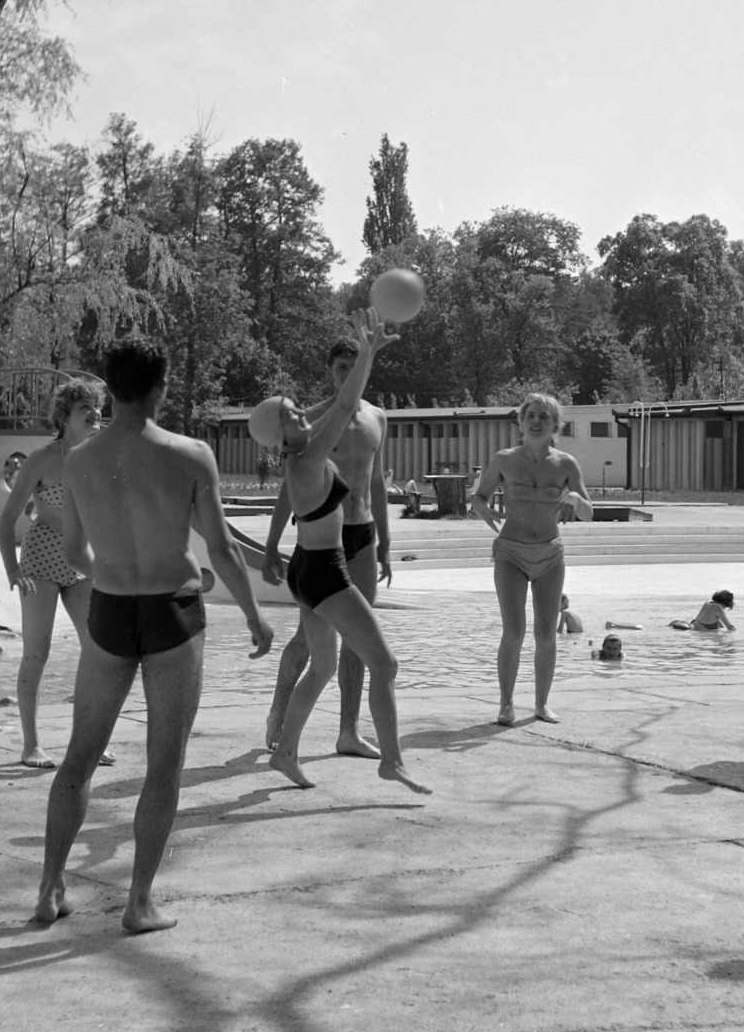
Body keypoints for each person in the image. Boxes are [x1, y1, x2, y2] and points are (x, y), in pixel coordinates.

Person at [34, 337, 274, 934]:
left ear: (109, 391)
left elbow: (73, 552)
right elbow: (220, 547)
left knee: (77, 761)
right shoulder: (191, 455)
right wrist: (253, 614)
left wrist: (114, 577)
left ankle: (49, 888)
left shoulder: (80, 460)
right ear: (161, 388)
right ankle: (138, 903)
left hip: (110, 611)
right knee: (163, 766)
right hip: (173, 612)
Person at [250, 311, 429, 796]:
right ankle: (391, 761)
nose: (301, 413)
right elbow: (348, 399)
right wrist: (368, 352)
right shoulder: (309, 453)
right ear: (283, 434)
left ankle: (286, 753)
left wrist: (385, 541)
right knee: (386, 665)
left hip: (311, 567)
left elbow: (359, 428)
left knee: (326, 667)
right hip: (326, 571)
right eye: (291, 413)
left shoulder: (299, 452)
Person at [261, 337, 392, 760]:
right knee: (308, 640)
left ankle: (348, 731)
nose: (347, 372)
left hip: (363, 534)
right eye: (340, 366)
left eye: (355, 365)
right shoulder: (313, 420)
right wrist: (270, 543)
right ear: (330, 370)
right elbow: (289, 488)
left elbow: (375, 482)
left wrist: (386, 540)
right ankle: (280, 710)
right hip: (322, 542)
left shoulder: (378, 417)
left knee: (358, 639)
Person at [0, 379, 115, 770]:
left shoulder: (100, 456)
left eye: (98, 407)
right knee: (37, 653)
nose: (96, 413)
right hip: (41, 560)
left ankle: (90, 741)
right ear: (64, 417)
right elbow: (6, 519)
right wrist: (12, 569)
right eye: (87, 408)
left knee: (98, 652)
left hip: (81, 561)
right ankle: (31, 745)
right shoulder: (42, 460)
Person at [471, 392, 594, 726]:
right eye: (531, 416)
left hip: (550, 554)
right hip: (511, 551)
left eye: (544, 416)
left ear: (555, 425)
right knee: (514, 631)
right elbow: (478, 497)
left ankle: (541, 704)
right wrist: (483, 509)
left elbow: (588, 511)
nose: (537, 421)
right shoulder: (505, 459)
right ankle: (506, 704)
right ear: (521, 422)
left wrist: (573, 498)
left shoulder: (566, 464)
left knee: (546, 634)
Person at [671, 590, 736, 631]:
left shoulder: (709, 602)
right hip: (690, 630)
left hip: (690, 625)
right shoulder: (717, 608)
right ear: (724, 603)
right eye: (726, 606)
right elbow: (730, 627)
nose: (724, 609)